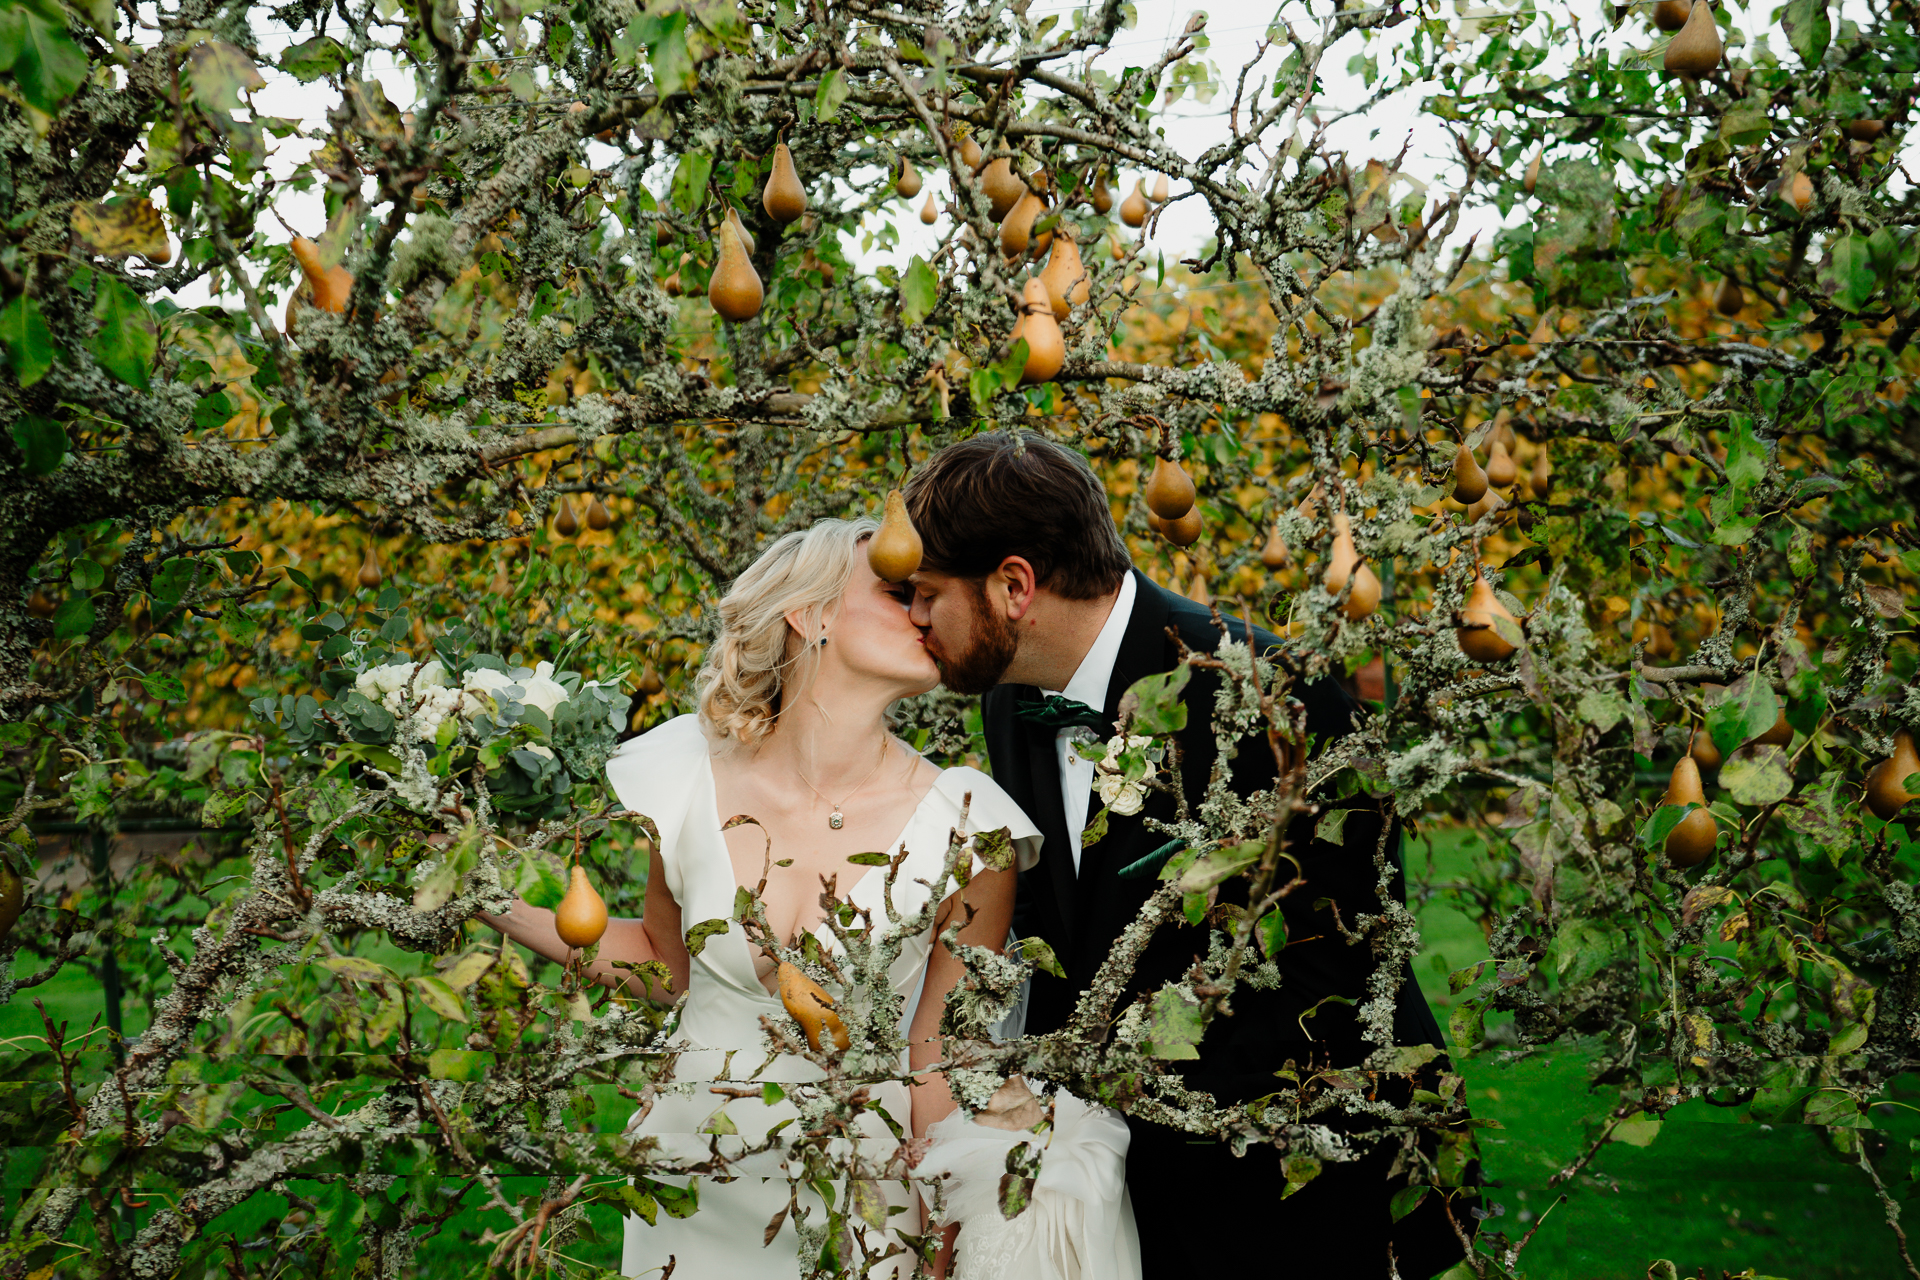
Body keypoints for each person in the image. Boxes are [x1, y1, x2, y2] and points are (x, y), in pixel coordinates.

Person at [473, 517, 1133, 1279]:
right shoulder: (682, 768)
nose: (927, 611)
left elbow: (942, 1055)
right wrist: (487, 901)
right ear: (810, 614)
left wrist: (941, 1242)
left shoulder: (972, 826)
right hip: (691, 1177)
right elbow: (664, 963)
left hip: (864, 1193)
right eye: (899, 592)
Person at [903, 430, 1474, 1279]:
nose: (913, 619)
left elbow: (1341, 961)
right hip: (1135, 1197)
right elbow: (1066, 924)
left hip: (1300, 1192)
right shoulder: (1013, 701)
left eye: (924, 594)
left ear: (1014, 585)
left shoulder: (1269, 694)